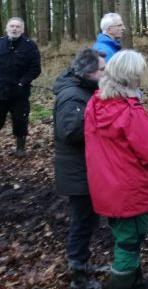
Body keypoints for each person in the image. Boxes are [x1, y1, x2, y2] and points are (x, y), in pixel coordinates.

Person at [84, 50, 148, 289]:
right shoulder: (129, 109)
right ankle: (121, 283)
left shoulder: (95, 102)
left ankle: (135, 281)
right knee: (130, 239)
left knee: (125, 235)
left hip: (104, 184)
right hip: (128, 184)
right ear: (131, 76)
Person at [53, 48, 107, 289]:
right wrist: (102, 126)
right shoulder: (72, 96)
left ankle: (83, 264)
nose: (106, 73)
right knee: (82, 221)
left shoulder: (85, 90)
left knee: (88, 220)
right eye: (102, 69)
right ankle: (78, 275)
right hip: (77, 171)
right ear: (88, 71)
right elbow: (71, 132)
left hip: (86, 168)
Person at [0, 17, 42, 157]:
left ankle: (20, 148)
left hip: (20, 93)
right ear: (7, 28)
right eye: (11, 26)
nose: (14, 29)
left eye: (18, 26)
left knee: (20, 121)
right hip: (1, 91)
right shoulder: (0, 44)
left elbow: (35, 68)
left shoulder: (30, 46)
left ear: (22, 29)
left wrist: (22, 82)